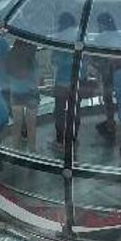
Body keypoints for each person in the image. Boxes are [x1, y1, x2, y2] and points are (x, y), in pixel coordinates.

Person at [4, 40, 38, 153]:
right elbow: (37, 78)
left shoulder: (10, 56)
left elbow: (7, 75)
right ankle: (32, 151)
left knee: (17, 124)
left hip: (16, 93)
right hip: (31, 93)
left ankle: (16, 149)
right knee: (31, 125)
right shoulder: (31, 57)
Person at [52, 13, 77, 150]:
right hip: (76, 81)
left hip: (61, 81)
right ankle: (73, 138)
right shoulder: (79, 35)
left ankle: (60, 139)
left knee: (60, 111)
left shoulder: (58, 37)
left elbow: (54, 60)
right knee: (75, 110)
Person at [94, 13, 118, 140]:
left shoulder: (100, 39)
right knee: (114, 99)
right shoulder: (117, 36)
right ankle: (112, 122)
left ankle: (110, 123)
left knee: (108, 100)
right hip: (117, 72)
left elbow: (95, 58)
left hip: (107, 73)